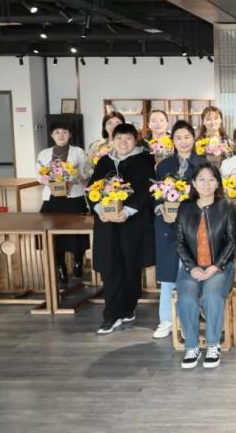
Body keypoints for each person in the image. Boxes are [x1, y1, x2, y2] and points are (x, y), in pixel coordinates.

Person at [87, 123, 155, 335]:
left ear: (135, 140)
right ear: (112, 140)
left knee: (130, 266)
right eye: (119, 138)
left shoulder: (144, 160)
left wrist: (127, 211)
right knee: (110, 267)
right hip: (107, 224)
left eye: (128, 139)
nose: (123, 143)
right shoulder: (104, 161)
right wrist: (99, 209)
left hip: (132, 223)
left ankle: (128, 307)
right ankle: (111, 314)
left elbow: (146, 189)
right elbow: (92, 188)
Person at [176, 163, 236, 369]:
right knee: (186, 297)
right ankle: (191, 347)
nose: (206, 184)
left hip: (220, 267)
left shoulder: (227, 206)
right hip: (192, 267)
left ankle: (213, 345)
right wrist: (191, 267)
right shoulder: (185, 208)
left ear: (218, 183)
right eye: (201, 179)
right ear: (193, 183)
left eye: (211, 179)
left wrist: (216, 266)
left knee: (212, 295)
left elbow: (232, 241)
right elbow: (180, 242)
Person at [152, 120, 207, 340]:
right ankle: (166, 319)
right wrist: (161, 210)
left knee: (193, 271)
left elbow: (210, 194)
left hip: (194, 225)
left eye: (187, 137)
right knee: (168, 273)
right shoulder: (164, 165)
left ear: (193, 139)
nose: (183, 142)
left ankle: (190, 318)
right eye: (178, 138)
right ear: (172, 141)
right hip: (167, 224)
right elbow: (155, 194)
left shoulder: (203, 164)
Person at [36, 120, 89, 284]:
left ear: (70, 135)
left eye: (65, 132)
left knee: (77, 233)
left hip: (74, 198)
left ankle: (78, 262)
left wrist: (73, 180)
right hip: (52, 199)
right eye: (57, 132)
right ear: (52, 135)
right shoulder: (43, 154)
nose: (61, 135)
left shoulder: (78, 152)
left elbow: (87, 173)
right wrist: (48, 182)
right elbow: (38, 175)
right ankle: (60, 265)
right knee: (54, 235)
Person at [85, 111, 125, 178]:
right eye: (109, 123)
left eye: (118, 123)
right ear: (104, 126)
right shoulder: (96, 146)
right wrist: (100, 176)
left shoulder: (131, 146)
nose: (114, 126)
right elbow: (87, 168)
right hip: (100, 182)